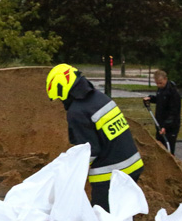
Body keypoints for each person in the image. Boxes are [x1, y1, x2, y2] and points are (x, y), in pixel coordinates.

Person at [47, 63, 144, 211]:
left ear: (63, 89)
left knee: (103, 218)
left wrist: (73, 174)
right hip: (133, 166)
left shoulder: (77, 111)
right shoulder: (99, 98)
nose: (61, 102)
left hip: (110, 175)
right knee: (122, 215)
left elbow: (89, 150)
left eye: (60, 98)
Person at [142, 69, 181, 153]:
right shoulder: (161, 90)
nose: (159, 85)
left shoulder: (173, 92)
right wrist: (151, 98)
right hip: (159, 123)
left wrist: (166, 126)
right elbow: (160, 100)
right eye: (157, 83)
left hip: (170, 126)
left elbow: (174, 112)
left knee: (168, 148)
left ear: (165, 79)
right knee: (159, 147)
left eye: (160, 83)